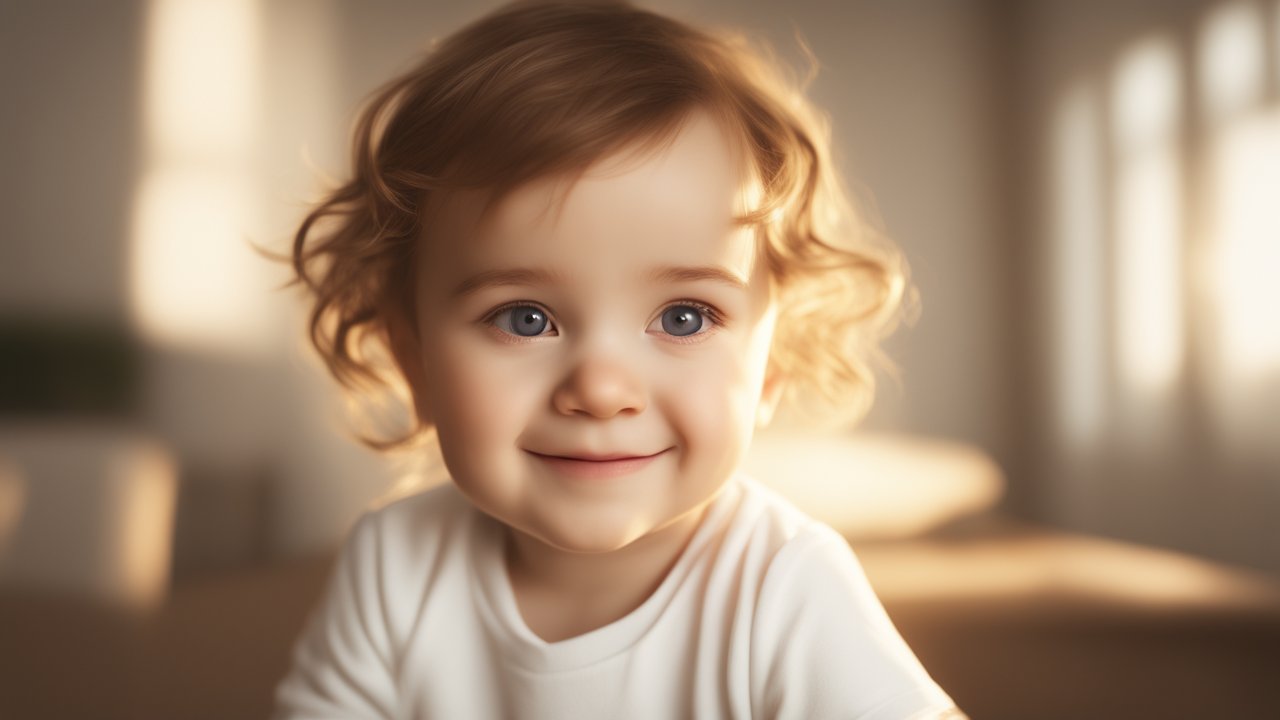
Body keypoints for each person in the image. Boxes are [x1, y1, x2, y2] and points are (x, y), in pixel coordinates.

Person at [274, 1, 965, 717]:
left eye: (684, 316)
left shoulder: (784, 586)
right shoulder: (394, 566)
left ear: (775, 362)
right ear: (412, 360)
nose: (602, 391)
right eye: (525, 318)